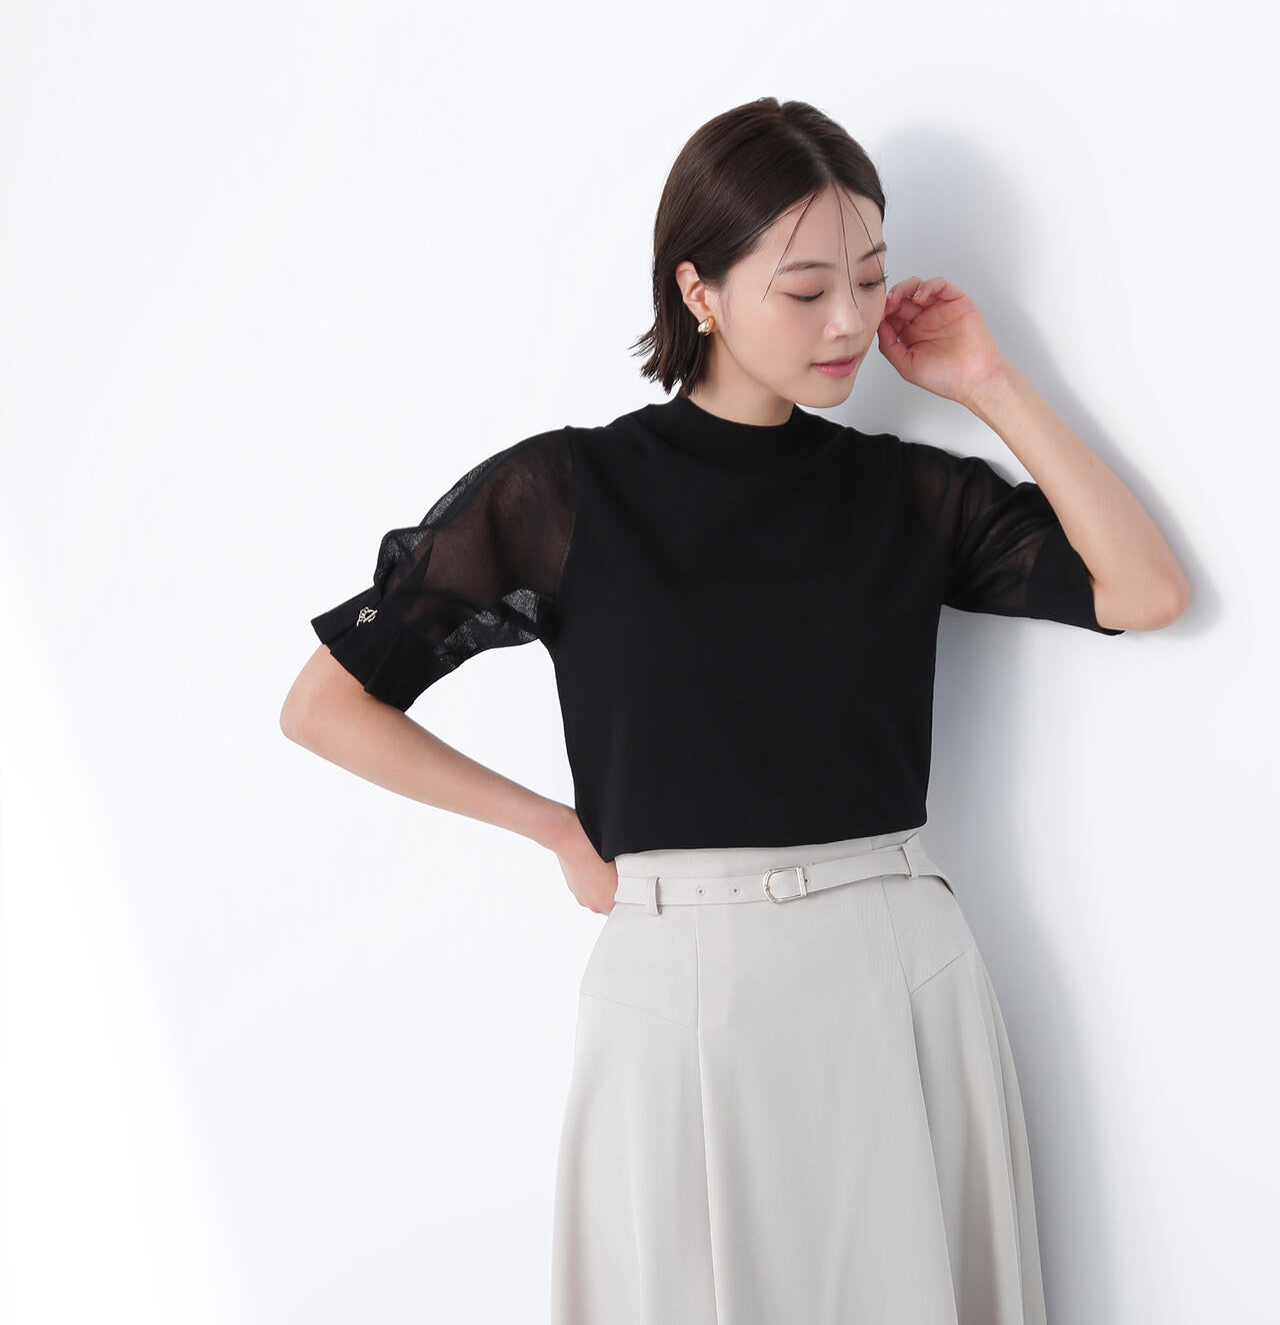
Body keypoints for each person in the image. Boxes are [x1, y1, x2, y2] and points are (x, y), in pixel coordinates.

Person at [281, 97, 1189, 1324]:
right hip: (676, 977)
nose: (849, 322)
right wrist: (554, 828)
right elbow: (328, 705)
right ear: (696, 289)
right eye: (804, 289)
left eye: (867, 279)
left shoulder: (903, 493)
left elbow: (1142, 591)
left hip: (896, 963)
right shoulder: (567, 491)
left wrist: (989, 383)